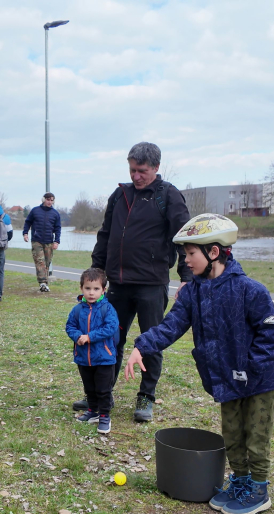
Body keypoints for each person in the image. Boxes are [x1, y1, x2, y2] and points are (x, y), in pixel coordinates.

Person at [125, 214, 274, 514]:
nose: (185, 261)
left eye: (190, 254)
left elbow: (272, 330)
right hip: (226, 380)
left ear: (213, 252)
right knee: (232, 434)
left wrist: (251, 367)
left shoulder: (250, 290)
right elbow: (171, 326)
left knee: (256, 436)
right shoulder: (192, 292)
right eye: (184, 254)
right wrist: (141, 346)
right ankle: (240, 482)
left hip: (259, 381)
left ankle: (259, 490)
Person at [82, 141, 193, 423]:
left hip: (151, 285)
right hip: (118, 285)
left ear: (156, 167)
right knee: (109, 339)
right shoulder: (119, 195)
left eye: (141, 171)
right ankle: (102, 394)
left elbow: (184, 237)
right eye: (132, 170)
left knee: (151, 341)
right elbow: (105, 235)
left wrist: (187, 277)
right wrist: (96, 272)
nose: (136, 176)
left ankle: (146, 396)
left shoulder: (168, 195)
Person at [65, 268, 120, 434]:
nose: (91, 292)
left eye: (96, 289)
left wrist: (89, 337)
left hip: (104, 358)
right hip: (83, 357)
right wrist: (77, 336)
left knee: (103, 389)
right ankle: (93, 411)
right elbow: (70, 326)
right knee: (89, 387)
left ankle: (104, 416)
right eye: (87, 288)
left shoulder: (107, 309)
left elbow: (111, 327)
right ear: (81, 288)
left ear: (103, 290)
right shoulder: (77, 310)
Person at [22, 192, 61, 292]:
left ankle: (45, 283)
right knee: (40, 261)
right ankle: (42, 282)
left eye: (51, 200)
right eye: (48, 200)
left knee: (47, 263)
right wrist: (25, 233)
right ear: (44, 200)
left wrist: (56, 241)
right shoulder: (35, 211)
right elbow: (28, 222)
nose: (49, 202)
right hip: (37, 240)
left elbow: (58, 228)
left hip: (49, 241)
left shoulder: (55, 214)